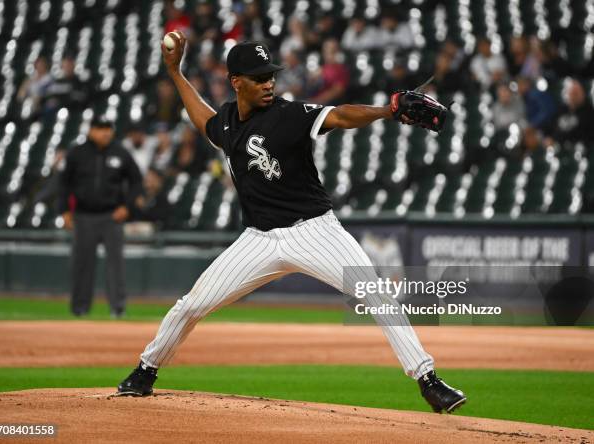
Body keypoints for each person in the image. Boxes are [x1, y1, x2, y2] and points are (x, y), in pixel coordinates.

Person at [116, 34, 466, 414]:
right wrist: (175, 72)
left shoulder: (289, 115)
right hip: (258, 240)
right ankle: (145, 371)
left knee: (375, 293)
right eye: (259, 76)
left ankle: (428, 381)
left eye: (271, 75)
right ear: (237, 82)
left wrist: (387, 110)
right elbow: (205, 120)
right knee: (191, 305)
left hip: (315, 231)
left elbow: (342, 113)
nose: (269, 82)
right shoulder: (230, 123)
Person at [59, 117, 143, 318]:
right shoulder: (77, 153)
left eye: (108, 129)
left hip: (111, 216)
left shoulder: (120, 153)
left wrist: (127, 206)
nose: (105, 132)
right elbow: (63, 183)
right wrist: (65, 210)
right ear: (91, 131)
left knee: (115, 265)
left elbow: (136, 181)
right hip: (83, 215)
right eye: (100, 129)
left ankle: (118, 308)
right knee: (82, 265)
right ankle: (79, 309)